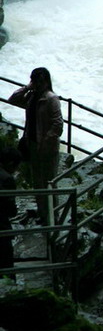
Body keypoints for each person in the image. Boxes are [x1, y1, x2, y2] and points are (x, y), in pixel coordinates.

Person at [9, 68, 63, 223]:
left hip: (46, 147)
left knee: (49, 182)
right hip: (32, 144)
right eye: (34, 81)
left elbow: (58, 125)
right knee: (38, 182)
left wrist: (46, 142)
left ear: (46, 81)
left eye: (39, 81)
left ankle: (54, 216)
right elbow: (12, 99)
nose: (37, 84)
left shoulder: (51, 99)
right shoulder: (32, 96)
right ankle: (43, 214)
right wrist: (27, 87)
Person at [0, 146, 21, 277]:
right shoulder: (6, 179)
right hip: (1, 226)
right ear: (11, 164)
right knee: (6, 267)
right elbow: (9, 208)